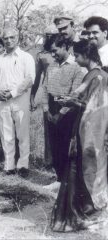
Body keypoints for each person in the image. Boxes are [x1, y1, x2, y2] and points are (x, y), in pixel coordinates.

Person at [51, 39, 108, 232]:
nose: (75, 58)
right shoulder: (93, 75)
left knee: (86, 170)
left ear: (87, 55)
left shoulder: (98, 77)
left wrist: (73, 103)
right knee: (79, 170)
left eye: (77, 55)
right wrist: (70, 101)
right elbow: (84, 100)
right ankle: (81, 213)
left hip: (91, 132)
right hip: (84, 128)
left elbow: (96, 109)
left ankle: (84, 213)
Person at [0, 28, 35, 177]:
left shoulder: (26, 57)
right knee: (6, 133)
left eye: (12, 37)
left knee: (22, 134)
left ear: (18, 37)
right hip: (3, 100)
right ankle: (8, 166)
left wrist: (12, 94)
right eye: (6, 38)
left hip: (20, 99)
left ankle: (23, 166)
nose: (8, 40)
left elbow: (30, 79)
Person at [42, 34, 84, 190]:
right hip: (51, 108)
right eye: (51, 52)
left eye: (55, 51)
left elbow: (75, 94)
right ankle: (59, 179)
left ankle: (69, 181)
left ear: (65, 47)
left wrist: (62, 113)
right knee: (55, 145)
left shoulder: (76, 66)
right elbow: (44, 87)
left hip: (69, 110)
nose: (53, 55)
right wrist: (46, 109)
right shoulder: (52, 66)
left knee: (67, 145)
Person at [30, 27, 58, 168]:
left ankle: (63, 162)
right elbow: (36, 78)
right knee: (49, 129)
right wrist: (32, 96)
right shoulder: (42, 55)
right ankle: (49, 162)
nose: (49, 38)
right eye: (47, 35)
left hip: (65, 95)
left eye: (52, 35)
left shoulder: (66, 50)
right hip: (49, 95)